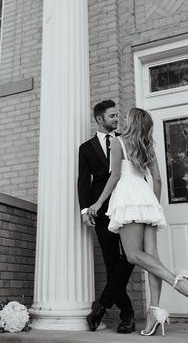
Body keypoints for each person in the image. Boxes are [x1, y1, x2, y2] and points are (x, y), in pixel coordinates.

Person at [88, 107, 188, 337]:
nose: (122, 119)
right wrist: (154, 205)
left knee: (133, 255)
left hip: (128, 198)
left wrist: (97, 203)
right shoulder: (147, 145)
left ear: (132, 121)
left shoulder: (118, 143)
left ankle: (180, 283)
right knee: (151, 256)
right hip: (146, 197)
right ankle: (154, 311)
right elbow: (159, 180)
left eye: (126, 117)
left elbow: (114, 177)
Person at [78, 100, 135, 333]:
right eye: (112, 116)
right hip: (101, 211)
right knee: (112, 262)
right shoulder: (86, 148)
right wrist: (85, 210)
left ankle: (101, 306)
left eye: (117, 115)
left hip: (127, 205)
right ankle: (127, 315)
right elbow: (83, 181)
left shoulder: (126, 140)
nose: (116, 119)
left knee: (131, 256)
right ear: (99, 119)